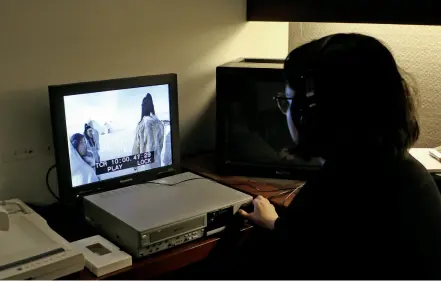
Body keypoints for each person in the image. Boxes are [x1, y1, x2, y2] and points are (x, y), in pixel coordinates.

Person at [206, 33, 441, 279]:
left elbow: (304, 253)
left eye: (288, 101)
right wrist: (276, 224)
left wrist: (274, 230)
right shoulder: (404, 172)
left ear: (311, 114)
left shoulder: (337, 190)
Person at [132, 93, 164, 169]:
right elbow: (161, 144)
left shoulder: (141, 125)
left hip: (144, 166)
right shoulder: (159, 124)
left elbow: (136, 146)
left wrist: (135, 165)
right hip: (157, 163)